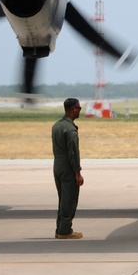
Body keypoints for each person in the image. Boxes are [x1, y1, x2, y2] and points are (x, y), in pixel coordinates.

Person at [52, 96, 84, 240]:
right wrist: (77, 173)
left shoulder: (57, 125)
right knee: (69, 200)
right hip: (67, 167)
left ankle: (59, 228)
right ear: (72, 109)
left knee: (62, 199)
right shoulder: (70, 129)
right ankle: (65, 231)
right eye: (78, 108)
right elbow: (73, 153)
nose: (79, 111)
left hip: (57, 165)